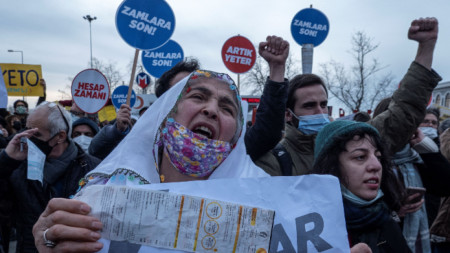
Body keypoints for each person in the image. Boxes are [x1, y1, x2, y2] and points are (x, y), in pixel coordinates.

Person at [32, 69, 269, 253]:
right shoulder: (105, 193)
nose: (211, 110)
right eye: (198, 97)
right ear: (166, 116)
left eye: (227, 108)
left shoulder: (264, 202)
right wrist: (49, 242)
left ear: (236, 137)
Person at [254, 17, 442, 176]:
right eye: (309, 106)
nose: (321, 112)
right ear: (288, 114)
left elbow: (401, 117)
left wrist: (426, 48)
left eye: (324, 104)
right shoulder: (273, 163)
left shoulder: (350, 142)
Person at [0, 101, 101, 252]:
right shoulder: (19, 166)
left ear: (60, 136)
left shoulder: (94, 170)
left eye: (35, 134)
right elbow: (4, 212)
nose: (27, 138)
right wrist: (6, 161)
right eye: (26, 130)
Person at [312, 120, 410, 252]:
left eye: (378, 157)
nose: (376, 166)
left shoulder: (386, 219)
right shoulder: (311, 229)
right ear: (331, 166)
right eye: (360, 157)